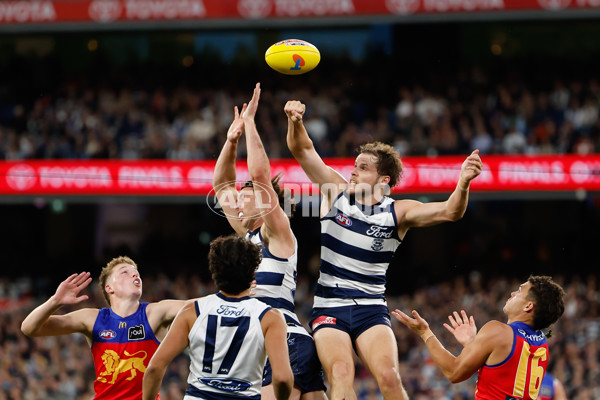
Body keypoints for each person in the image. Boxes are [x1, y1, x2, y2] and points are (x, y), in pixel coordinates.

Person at [284, 100, 483, 400]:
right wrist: (296, 121)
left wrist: (463, 183)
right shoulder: (335, 192)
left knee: (390, 378)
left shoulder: (398, 212)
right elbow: (303, 150)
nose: (353, 173)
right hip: (330, 306)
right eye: (354, 166)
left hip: (370, 307)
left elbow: (450, 212)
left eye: (363, 168)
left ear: (383, 180)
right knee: (340, 373)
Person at [212, 83, 327, 400]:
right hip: (280, 342)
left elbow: (262, 178)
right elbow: (221, 184)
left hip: (283, 340)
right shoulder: (248, 236)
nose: (236, 204)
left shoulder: (277, 232)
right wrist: (230, 141)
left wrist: (250, 122)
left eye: (244, 199)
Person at [142, 234, 294, 400]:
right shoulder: (270, 317)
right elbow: (282, 378)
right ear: (253, 273)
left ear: (214, 271)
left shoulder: (191, 311)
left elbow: (155, 367)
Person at [21, 256, 187, 399]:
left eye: (136, 272)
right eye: (125, 272)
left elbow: (199, 307)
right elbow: (29, 328)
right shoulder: (93, 318)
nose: (135, 274)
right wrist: (55, 301)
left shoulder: (155, 312)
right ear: (109, 288)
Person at [393, 275, 566, 400]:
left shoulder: (498, 331)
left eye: (520, 291)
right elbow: (502, 377)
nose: (513, 293)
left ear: (528, 306)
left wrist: (425, 333)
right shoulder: (542, 343)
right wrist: (471, 344)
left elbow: (454, 372)